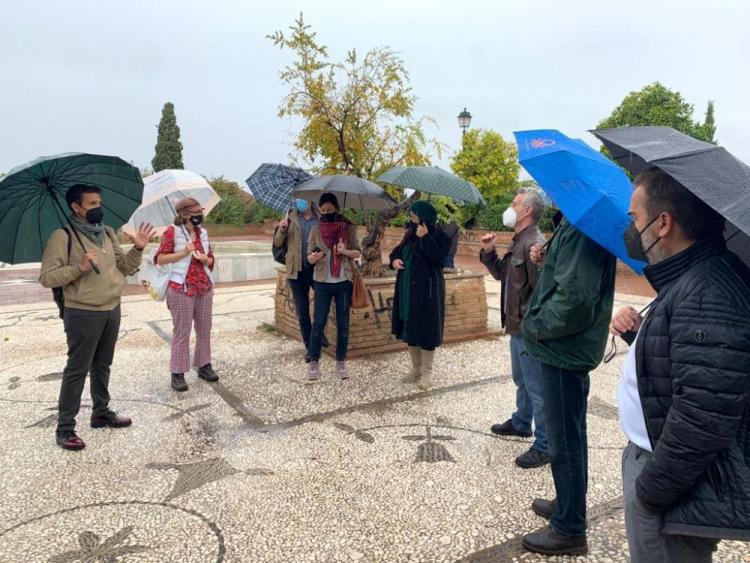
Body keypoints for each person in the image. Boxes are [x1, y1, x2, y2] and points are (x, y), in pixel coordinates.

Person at [610, 167, 750, 562]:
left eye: (635, 219)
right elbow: (693, 364)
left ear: (663, 223)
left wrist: (650, 492)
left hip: (669, 486)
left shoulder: (708, 291)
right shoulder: (691, 278)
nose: (631, 230)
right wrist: (639, 336)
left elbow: (705, 415)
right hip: (659, 466)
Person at [519, 206, 617, 556]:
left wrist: (534, 325)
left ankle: (569, 527)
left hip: (562, 348)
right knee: (571, 433)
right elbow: (570, 278)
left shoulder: (582, 229)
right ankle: (568, 502)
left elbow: (575, 300)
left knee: (565, 441)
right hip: (565, 348)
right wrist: (547, 257)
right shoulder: (574, 225)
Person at [39, 183, 155, 451]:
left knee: (103, 365)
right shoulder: (62, 236)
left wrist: (137, 249)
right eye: (92, 204)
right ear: (76, 207)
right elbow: (46, 277)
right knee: (77, 369)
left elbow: (124, 268)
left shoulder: (106, 233)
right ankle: (65, 427)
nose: (98, 208)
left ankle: (100, 412)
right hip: (82, 312)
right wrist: (78, 268)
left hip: (111, 308)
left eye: (98, 203)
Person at [479, 188, 548, 468]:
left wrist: (533, 327)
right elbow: (502, 276)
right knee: (523, 380)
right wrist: (488, 252)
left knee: (537, 387)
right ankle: (521, 422)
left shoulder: (535, 244)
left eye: (515, 203)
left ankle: (545, 444)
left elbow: (541, 291)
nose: (510, 207)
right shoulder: (519, 240)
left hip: (528, 330)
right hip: (515, 326)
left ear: (527, 211)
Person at [153, 197, 218, 392]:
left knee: (204, 328)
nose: (200, 215)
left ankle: (204, 365)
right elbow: (161, 259)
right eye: (196, 211)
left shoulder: (203, 233)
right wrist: (184, 252)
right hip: (181, 288)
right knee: (182, 332)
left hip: (203, 286)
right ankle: (178, 372)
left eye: (201, 210)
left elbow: (211, 258)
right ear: (185, 214)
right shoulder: (171, 232)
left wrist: (207, 259)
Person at [390, 201, 451, 390]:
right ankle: (416, 369)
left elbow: (439, 258)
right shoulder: (410, 234)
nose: (411, 216)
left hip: (428, 293)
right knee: (410, 329)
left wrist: (425, 238)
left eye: (414, 213)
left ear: (423, 215)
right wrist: (395, 261)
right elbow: (395, 253)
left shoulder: (441, 236)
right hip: (407, 290)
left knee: (426, 332)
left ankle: (427, 375)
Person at [306, 193, 361, 380]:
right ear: (319, 210)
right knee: (318, 323)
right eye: (323, 210)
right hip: (322, 282)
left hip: (343, 282)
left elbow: (358, 252)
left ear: (336, 208)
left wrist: (345, 250)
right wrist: (313, 258)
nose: (326, 212)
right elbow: (309, 256)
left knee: (343, 324)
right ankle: (314, 361)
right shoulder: (315, 229)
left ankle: (341, 361)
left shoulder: (348, 228)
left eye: (330, 209)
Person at [274, 199, 327, 362]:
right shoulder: (289, 218)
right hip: (296, 271)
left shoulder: (320, 218)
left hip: (317, 269)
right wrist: (282, 230)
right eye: (297, 199)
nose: (300, 202)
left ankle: (319, 335)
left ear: (311, 200)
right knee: (303, 311)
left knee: (321, 308)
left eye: (303, 199)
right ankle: (310, 347)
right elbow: (277, 243)